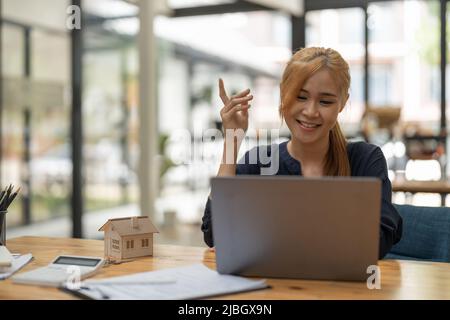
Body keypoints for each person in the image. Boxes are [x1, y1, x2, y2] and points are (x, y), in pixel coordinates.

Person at [201, 47, 402, 259]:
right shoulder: (260, 162)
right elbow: (215, 235)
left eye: (325, 101)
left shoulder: (365, 159)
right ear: (283, 95)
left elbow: (379, 239)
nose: (311, 111)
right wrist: (232, 139)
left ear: (342, 103)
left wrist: (271, 243)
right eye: (300, 97)